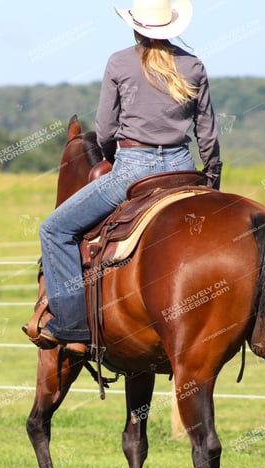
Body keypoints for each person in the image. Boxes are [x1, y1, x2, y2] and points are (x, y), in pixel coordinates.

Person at [25, 0, 222, 355]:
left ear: (135, 26)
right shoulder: (194, 66)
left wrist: (111, 158)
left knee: (54, 229)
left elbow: (104, 128)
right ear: (173, 27)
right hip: (183, 169)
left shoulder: (119, 62)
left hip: (134, 168)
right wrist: (212, 180)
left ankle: (72, 326)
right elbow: (207, 133)